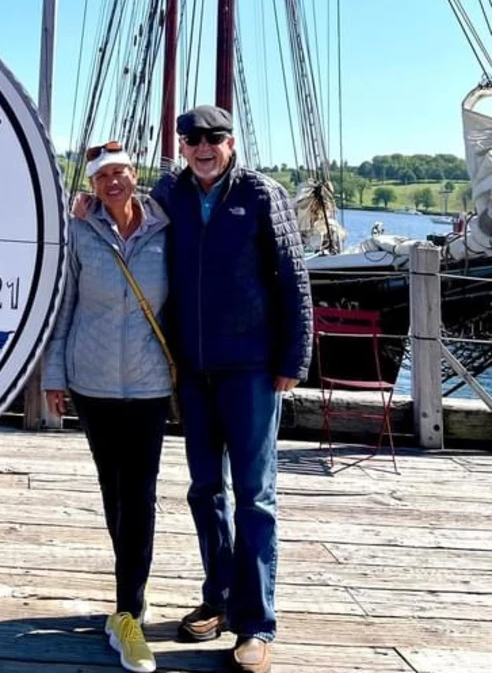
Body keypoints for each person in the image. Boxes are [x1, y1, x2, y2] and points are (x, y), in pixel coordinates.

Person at [151, 104, 312, 673]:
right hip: (195, 368)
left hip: (250, 367)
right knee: (204, 490)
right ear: (182, 146)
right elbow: (135, 230)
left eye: (213, 138)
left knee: (255, 495)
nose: (202, 146)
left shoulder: (261, 195)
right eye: (192, 138)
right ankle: (217, 597)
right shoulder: (169, 193)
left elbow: (294, 277)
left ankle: (255, 624)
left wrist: (296, 355)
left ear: (231, 142)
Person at [42, 141, 172, 673]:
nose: (112, 183)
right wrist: (53, 375)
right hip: (92, 381)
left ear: (133, 175)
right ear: (92, 185)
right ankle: (128, 593)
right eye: (101, 177)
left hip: (148, 383)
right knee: (113, 491)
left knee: (140, 494)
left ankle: (128, 610)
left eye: (119, 173)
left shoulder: (166, 231)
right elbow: (64, 303)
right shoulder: (80, 232)